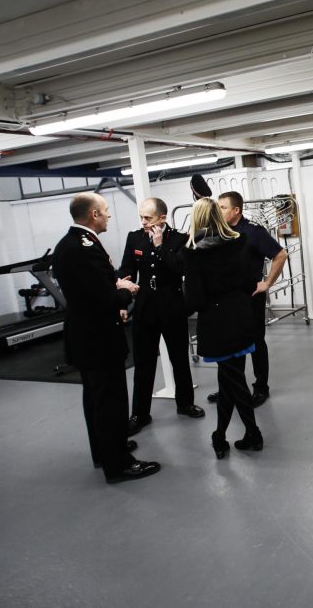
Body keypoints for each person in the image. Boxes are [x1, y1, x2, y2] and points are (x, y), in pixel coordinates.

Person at [52, 192, 160, 484]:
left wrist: (114, 288)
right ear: (93, 216)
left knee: (96, 399)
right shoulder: (85, 247)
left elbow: (92, 287)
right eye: (105, 210)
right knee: (111, 401)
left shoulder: (69, 244)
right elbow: (105, 298)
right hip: (98, 337)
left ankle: (105, 450)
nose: (109, 215)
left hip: (85, 334)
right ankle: (119, 464)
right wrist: (127, 291)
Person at [184, 197, 263, 457]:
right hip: (241, 315)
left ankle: (252, 433)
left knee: (233, 380)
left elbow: (194, 300)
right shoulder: (239, 241)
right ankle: (220, 435)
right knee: (229, 379)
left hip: (218, 322)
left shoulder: (195, 253)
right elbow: (250, 280)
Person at [119, 197, 204, 436]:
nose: (143, 222)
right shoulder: (134, 238)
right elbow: (127, 269)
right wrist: (123, 295)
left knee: (179, 357)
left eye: (148, 218)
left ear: (162, 218)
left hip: (172, 306)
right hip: (145, 307)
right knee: (144, 362)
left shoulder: (179, 239)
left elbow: (180, 269)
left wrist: (159, 246)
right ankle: (140, 413)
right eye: (141, 218)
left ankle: (185, 403)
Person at [206, 191, 287, 408]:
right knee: (231, 343)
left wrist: (267, 282)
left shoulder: (253, 232)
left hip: (249, 295)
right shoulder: (218, 232)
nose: (219, 211)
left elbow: (280, 254)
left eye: (223, 207)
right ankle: (231, 388)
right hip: (226, 298)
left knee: (255, 341)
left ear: (236, 210)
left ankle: (261, 387)